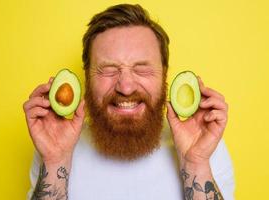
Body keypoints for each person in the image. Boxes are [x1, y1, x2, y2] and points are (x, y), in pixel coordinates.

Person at [23, 4, 234, 200]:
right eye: (108, 69)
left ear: (164, 75)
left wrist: (194, 163)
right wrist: (55, 161)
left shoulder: (203, 148)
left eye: (141, 68)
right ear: (87, 78)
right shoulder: (57, 146)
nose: (126, 87)